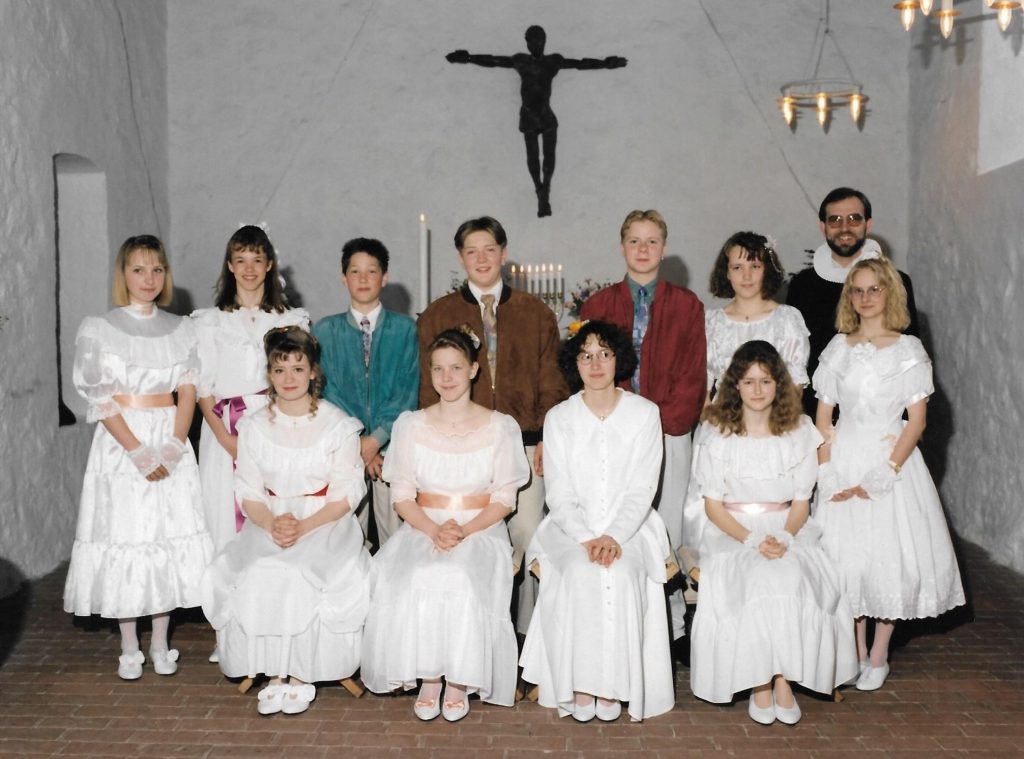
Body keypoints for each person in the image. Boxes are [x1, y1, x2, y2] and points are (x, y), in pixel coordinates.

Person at [361, 327, 530, 722]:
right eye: (438, 369)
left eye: (456, 367)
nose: (447, 378)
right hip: (425, 524)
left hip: (480, 526)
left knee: (459, 574)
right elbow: (402, 495)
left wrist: (464, 531)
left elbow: (504, 498)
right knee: (417, 572)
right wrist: (434, 530)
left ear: (474, 369)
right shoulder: (412, 425)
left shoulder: (499, 426)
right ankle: (430, 675)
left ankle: (459, 676)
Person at [64, 235, 213, 680]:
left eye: (157, 269)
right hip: (122, 443)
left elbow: (187, 388)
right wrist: (137, 451)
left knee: (167, 535)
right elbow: (99, 395)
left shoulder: (182, 328)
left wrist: (174, 442)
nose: (149, 279)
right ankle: (130, 644)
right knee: (128, 535)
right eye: (138, 269)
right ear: (122, 274)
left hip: (169, 434)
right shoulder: (99, 327)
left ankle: (163, 640)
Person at [813, 258, 964, 692]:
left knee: (887, 555)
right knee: (847, 557)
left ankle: (879, 652)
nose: (865, 298)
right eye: (857, 291)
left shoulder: (908, 349)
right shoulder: (838, 347)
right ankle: (855, 651)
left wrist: (887, 470)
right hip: (844, 454)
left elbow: (916, 420)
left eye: (873, 290)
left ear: (889, 294)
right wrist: (825, 467)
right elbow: (823, 416)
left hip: (889, 456)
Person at [201, 327, 370, 716]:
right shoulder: (255, 427)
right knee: (261, 567)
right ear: (269, 375)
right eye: (280, 370)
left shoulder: (337, 424)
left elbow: (347, 492)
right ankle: (274, 670)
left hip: (325, 521)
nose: (289, 379)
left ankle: (302, 673)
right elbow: (248, 490)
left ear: (313, 372)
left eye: (298, 368)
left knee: (300, 569)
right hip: (269, 521)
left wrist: (304, 528)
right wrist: (272, 523)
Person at [689, 340, 858, 725]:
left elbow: (801, 502)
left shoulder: (797, 430)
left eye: (766, 381)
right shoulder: (718, 433)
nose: (758, 390)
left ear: (778, 384)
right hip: (733, 530)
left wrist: (783, 537)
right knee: (755, 581)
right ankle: (759, 684)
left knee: (791, 577)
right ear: (735, 386)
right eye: (749, 382)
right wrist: (750, 539)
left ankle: (784, 680)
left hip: (786, 527)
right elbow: (713, 506)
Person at [416, 216, 566, 635]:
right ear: (461, 258)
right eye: (471, 251)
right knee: (475, 540)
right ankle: (482, 629)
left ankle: (528, 634)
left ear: (503, 253)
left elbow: (552, 379)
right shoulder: (438, 314)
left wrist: (545, 438)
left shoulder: (534, 313)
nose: (481, 258)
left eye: (489, 249)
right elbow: (429, 390)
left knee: (529, 535)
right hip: (465, 450)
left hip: (524, 443)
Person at [520, 321, 674, 723]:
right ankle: (582, 684)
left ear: (618, 358)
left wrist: (614, 535)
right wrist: (588, 538)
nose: (596, 363)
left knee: (621, 574)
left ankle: (615, 687)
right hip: (571, 529)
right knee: (579, 572)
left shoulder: (644, 413)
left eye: (604, 353)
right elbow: (559, 492)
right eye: (585, 355)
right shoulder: (560, 417)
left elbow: (644, 487)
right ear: (575, 363)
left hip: (633, 527)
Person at [579, 209, 705, 639]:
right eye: (635, 241)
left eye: (652, 242)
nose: (643, 250)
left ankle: (667, 624)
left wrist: (661, 422)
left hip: (670, 432)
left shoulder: (686, 305)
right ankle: (618, 615)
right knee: (618, 517)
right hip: (612, 433)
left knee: (665, 525)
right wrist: (618, 422)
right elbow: (590, 371)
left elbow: (693, 375)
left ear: (664, 248)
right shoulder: (598, 305)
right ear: (622, 247)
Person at [192, 225, 309, 554]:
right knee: (226, 510)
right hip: (226, 427)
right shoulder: (211, 322)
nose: (248, 269)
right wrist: (225, 439)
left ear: (269, 264)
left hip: (276, 425)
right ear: (229, 265)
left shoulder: (290, 320)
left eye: (256, 260)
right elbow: (204, 388)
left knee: (276, 505)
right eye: (240, 260)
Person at [446, 26, 626, 217]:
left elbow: (579, 64)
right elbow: (494, 60)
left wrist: (606, 63)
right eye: (533, 41)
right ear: (527, 43)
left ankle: (544, 190)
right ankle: (539, 190)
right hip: (529, 116)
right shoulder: (521, 61)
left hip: (546, 116)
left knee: (548, 157)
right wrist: (468, 58)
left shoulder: (552, 61)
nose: (537, 45)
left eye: (540, 41)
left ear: (544, 41)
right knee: (533, 158)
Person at [313, 237, 418, 548]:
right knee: (345, 537)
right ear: (343, 278)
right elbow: (325, 391)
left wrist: (376, 441)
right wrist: (357, 442)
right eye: (355, 272)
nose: (363, 279)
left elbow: (407, 390)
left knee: (397, 537)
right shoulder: (325, 331)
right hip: (345, 449)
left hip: (392, 449)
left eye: (371, 271)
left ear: (384, 277)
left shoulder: (405, 329)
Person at [787, 187, 919, 415]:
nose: (844, 228)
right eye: (835, 220)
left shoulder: (898, 281)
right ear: (823, 227)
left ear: (868, 225)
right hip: (819, 412)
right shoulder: (802, 285)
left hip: (883, 412)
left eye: (854, 219)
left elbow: (909, 359)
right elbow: (795, 356)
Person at [705, 231, 809, 398]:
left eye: (754, 266)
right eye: (737, 267)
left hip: (776, 420)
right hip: (724, 419)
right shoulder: (711, 323)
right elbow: (703, 384)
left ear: (766, 270)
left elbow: (795, 387)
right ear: (727, 272)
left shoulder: (786, 319)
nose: (747, 276)